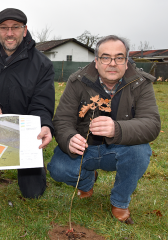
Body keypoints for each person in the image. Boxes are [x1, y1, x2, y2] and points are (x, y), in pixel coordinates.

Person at [47, 35, 160, 224]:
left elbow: (152, 124)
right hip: (85, 148)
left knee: (140, 152)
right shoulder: (77, 81)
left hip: (122, 147)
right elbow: (62, 119)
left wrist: (117, 129)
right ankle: (87, 181)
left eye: (119, 57)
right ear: (97, 62)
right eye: (106, 57)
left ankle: (120, 202)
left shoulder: (141, 83)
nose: (112, 63)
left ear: (126, 61)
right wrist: (69, 138)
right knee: (58, 168)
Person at [0, 8, 55, 212]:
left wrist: (45, 125)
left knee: (33, 193)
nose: (10, 33)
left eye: (15, 27)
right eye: (4, 28)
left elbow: (42, 102)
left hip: (23, 129)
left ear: (25, 30)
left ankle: (33, 167)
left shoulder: (42, 64)